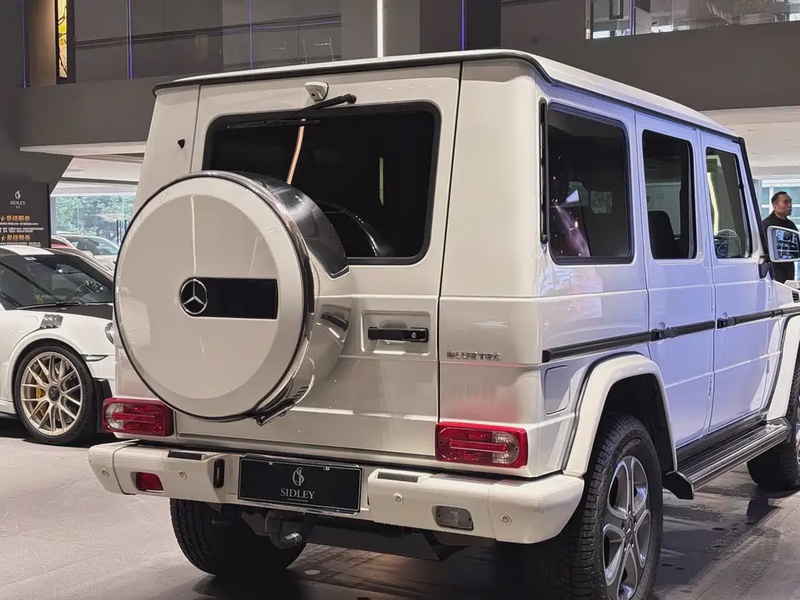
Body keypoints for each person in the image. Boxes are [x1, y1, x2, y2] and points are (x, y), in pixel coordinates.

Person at [763, 190, 798, 283]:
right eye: (785, 202)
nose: (790, 205)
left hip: (789, 268)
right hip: (773, 269)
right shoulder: (767, 225)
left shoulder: (791, 225)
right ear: (775, 206)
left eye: (790, 202)